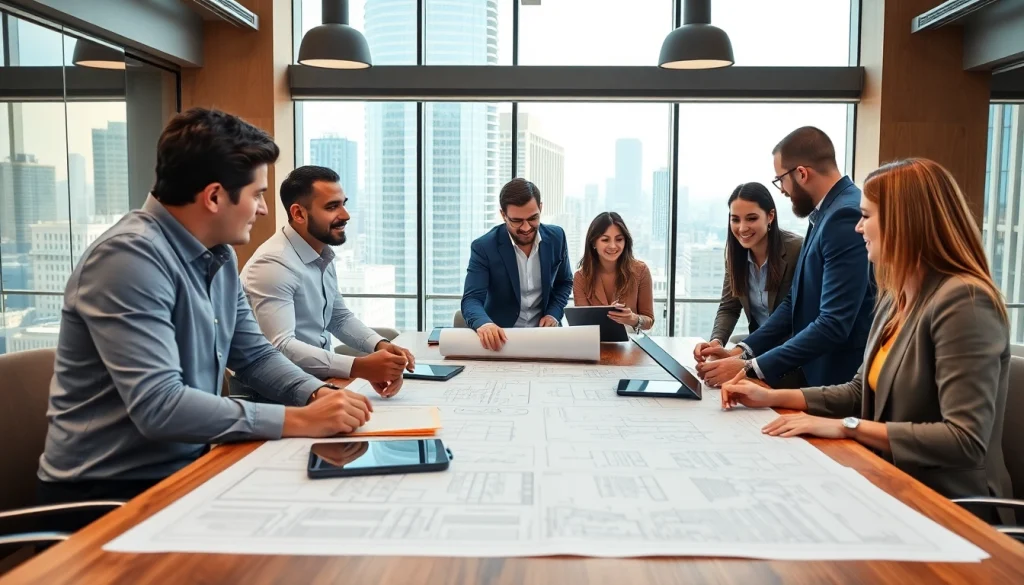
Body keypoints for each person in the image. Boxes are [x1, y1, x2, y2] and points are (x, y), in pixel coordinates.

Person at [36, 108, 373, 505]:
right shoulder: (128, 259)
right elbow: (159, 405)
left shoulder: (220, 257)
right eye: (257, 195)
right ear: (214, 196)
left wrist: (317, 395)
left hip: (189, 469)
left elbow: (254, 356)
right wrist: (296, 420)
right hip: (106, 495)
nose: (264, 209)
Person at [721, 158, 1013, 515]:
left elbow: (964, 440)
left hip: (949, 505)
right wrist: (767, 395)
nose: (858, 228)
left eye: (867, 216)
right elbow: (860, 391)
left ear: (905, 222)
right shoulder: (897, 297)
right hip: (891, 482)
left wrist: (847, 428)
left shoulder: (965, 302)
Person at [696, 127, 874, 388]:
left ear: (801, 173)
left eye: (780, 180)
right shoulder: (825, 213)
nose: (782, 190)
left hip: (837, 378)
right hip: (817, 374)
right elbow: (794, 303)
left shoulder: (843, 215)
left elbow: (833, 323)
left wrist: (749, 368)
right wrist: (741, 352)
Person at [240, 166, 414, 399]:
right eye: (332, 207)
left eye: (344, 203)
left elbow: (338, 317)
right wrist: (359, 367)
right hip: (272, 395)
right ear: (299, 214)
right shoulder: (273, 264)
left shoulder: (321, 251)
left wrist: (379, 345)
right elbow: (281, 347)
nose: (345, 215)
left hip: (318, 383)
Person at [461, 178, 573, 350]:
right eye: (517, 221)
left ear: (540, 208)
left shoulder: (557, 237)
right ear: (503, 215)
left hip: (544, 338)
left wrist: (553, 314)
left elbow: (564, 282)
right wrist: (484, 324)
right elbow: (472, 299)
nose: (526, 227)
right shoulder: (484, 247)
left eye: (533, 218)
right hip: (501, 340)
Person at [704, 183, 803, 346]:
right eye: (735, 219)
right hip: (759, 349)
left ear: (770, 216)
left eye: (751, 218)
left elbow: (796, 314)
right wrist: (716, 342)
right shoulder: (734, 254)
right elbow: (729, 308)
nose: (742, 228)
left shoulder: (797, 250)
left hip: (793, 351)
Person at [572, 211, 654, 332]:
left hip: (631, 345)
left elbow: (649, 321)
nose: (613, 246)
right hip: (596, 344)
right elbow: (584, 325)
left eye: (619, 239)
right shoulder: (580, 277)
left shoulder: (641, 271)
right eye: (605, 240)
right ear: (593, 242)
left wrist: (633, 319)